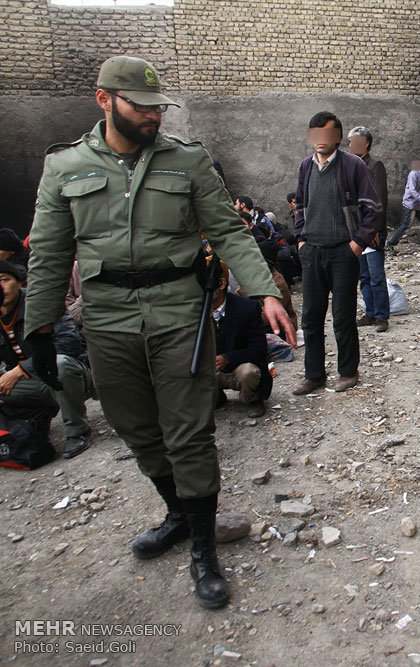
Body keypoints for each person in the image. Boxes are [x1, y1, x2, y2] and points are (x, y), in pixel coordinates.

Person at [25, 55, 295, 609]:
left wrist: (265, 289)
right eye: (140, 106)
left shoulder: (188, 161)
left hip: (178, 312)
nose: (153, 117)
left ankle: (203, 547)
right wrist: (39, 329)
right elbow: (49, 255)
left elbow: (228, 230)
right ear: (104, 100)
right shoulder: (64, 167)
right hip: (106, 317)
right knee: (132, 424)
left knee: (189, 430)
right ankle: (177, 510)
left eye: (157, 108)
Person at [292, 111, 382, 394]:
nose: (321, 140)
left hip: (342, 253)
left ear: (338, 138)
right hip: (312, 252)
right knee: (311, 317)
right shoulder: (306, 166)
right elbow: (300, 207)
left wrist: (356, 244)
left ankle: (347, 371)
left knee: (342, 316)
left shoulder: (353, 165)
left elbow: (374, 210)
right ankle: (314, 374)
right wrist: (300, 242)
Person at [0, 260, 94, 458]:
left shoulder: (42, 305)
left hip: (72, 375)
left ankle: (77, 431)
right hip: (33, 383)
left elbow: (69, 345)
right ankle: (30, 427)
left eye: (4, 280)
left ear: (20, 282)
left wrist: (20, 370)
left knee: (60, 364)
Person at [212, 261, 271, 418]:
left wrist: (227, 358)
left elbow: (259, 349)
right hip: (211, 370)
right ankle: (216, 397)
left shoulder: (246, 308)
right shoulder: (196, 312)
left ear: (221, 283)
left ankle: (252, 399)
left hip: (238, 367)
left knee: (248, 373)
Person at [347, 126, 390, 332]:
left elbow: (379, 200)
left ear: (366, 143)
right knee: (363, 276)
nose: (350, 145)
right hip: (357, 232)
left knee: (376, 276)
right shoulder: (349, 167)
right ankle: (371, 312)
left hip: (371, 231)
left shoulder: (375, 166)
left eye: (354, 141)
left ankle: (382, 316)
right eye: (349, 141)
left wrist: (373, 230)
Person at [386, 154, 420, 252]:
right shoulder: (414, 173)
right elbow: (412, 190)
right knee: (406, 225)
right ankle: (391, 244)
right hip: (410, 204)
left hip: (418, 205)